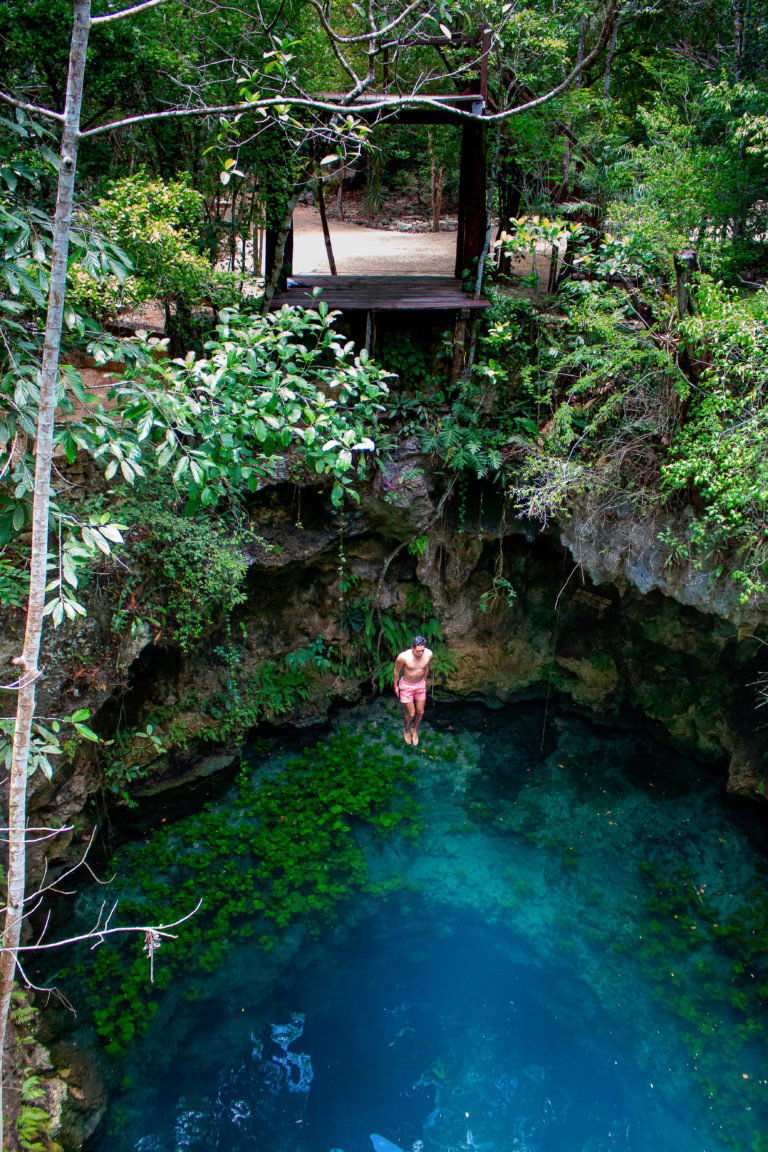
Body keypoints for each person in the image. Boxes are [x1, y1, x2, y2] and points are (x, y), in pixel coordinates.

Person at [393, 635, 433, 746]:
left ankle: (414, 730)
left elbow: (426, 668)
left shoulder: (428, 654)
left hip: (420, 685)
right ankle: (406, 729)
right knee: (411, 713)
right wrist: (395, 686)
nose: (421, 653)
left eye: (422, 651)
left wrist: (424, 681)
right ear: (413, 647)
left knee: (420, 712)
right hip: (406, 686)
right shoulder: (403, 657)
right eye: (418, 651)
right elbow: (396, 671)